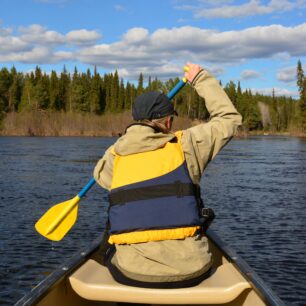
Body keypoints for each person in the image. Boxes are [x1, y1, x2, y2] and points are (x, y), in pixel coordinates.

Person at [93, 62, 242, 288]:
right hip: (192, 270)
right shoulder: (187, 145)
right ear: (169, 121)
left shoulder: (115, 155)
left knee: (110, 254)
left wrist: (127, 139)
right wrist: (200, 78)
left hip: (131, 272)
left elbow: (100, 177)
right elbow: (229, 119)